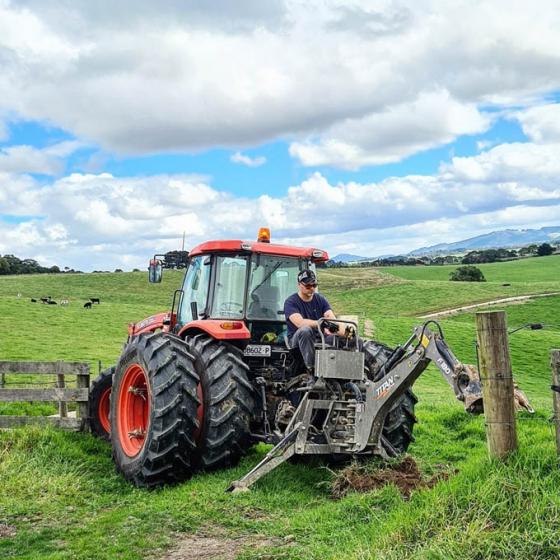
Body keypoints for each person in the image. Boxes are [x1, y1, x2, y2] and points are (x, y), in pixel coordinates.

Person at [284, 269, 341, 372]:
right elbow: (300, 323)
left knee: (341, 338)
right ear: (299, 285)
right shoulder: (291, 302)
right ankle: (311, 369)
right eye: (308, 286)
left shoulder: (321, 299)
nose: (312, 289)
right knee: (305, 330)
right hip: (297, 341)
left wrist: (342, 329)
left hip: (319, 338)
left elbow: (330, 317)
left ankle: (339, 371)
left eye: (314, 285)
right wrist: (322, 323)